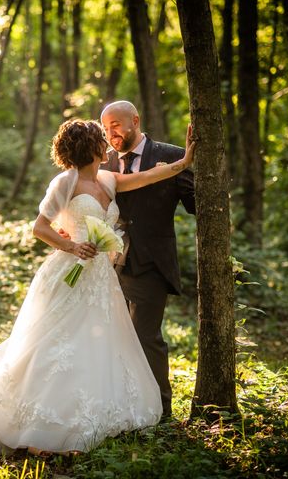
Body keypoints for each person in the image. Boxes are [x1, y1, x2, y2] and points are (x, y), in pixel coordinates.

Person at [0, 119, 195, 455]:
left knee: (97, 345)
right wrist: (72, 246)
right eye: (102, 136)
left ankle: (94, 414)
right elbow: (40, 227)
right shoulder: (65, 182)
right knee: (59, 343)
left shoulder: (107, 179)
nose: (108, 141)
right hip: (67, 274)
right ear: (91, 146)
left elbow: (145, 177)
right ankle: (40, 423)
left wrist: (184, 163)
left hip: (99, 279)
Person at [99, 101, 196, 418]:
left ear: (135, 120)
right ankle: (124, 404)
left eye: (116, 124)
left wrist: (192, 165)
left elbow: (196, 203)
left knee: (145, 336)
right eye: (105, 126)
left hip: (152, 262)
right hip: (111, 263)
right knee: (114, 336)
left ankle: (161, 412)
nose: (110, 132)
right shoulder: (104, 161)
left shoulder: (171, 156)